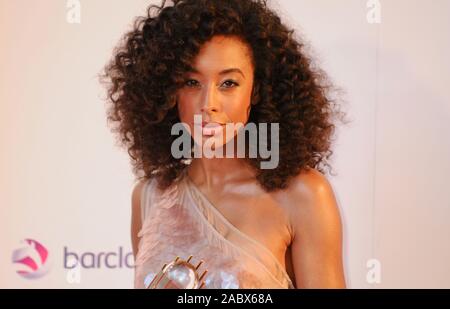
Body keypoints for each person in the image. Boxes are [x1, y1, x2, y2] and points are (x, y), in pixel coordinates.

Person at [103, 0, 346, 288]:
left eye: (228, 83)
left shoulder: (302, 195)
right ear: (167, 91)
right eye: (191, 83)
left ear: (257, 90)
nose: (209, 105)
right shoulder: (149, 197)